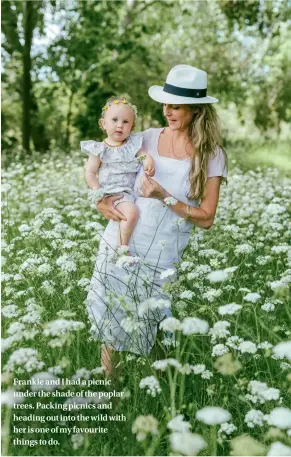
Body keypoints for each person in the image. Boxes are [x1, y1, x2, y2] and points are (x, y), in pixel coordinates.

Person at [86, 65, 228, 374]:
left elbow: (206, 218)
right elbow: (104, 164)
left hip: (163, 248)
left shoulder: (212, 154)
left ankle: (157, 390)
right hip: (123, 239)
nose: (167, 111)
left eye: (175, 105)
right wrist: (101, 200)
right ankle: (113, 395)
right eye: (165, 103)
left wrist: (165, 196)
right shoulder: (146, 138)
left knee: (155, 318)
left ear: (196, 109)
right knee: (111, 314)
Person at [81, 95, 155, 251]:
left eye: (125, 122)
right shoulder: (99, 149)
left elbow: (142, 155)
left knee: (136, 213)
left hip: (128, 191)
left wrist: (148, 161)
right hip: (111, 193)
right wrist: (97, 191)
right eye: (115, 120)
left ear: (132, 127)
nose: (120, 125)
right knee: (131, 213)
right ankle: (123, 248)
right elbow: (90, 172)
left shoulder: (133, 144)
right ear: (103, 124)